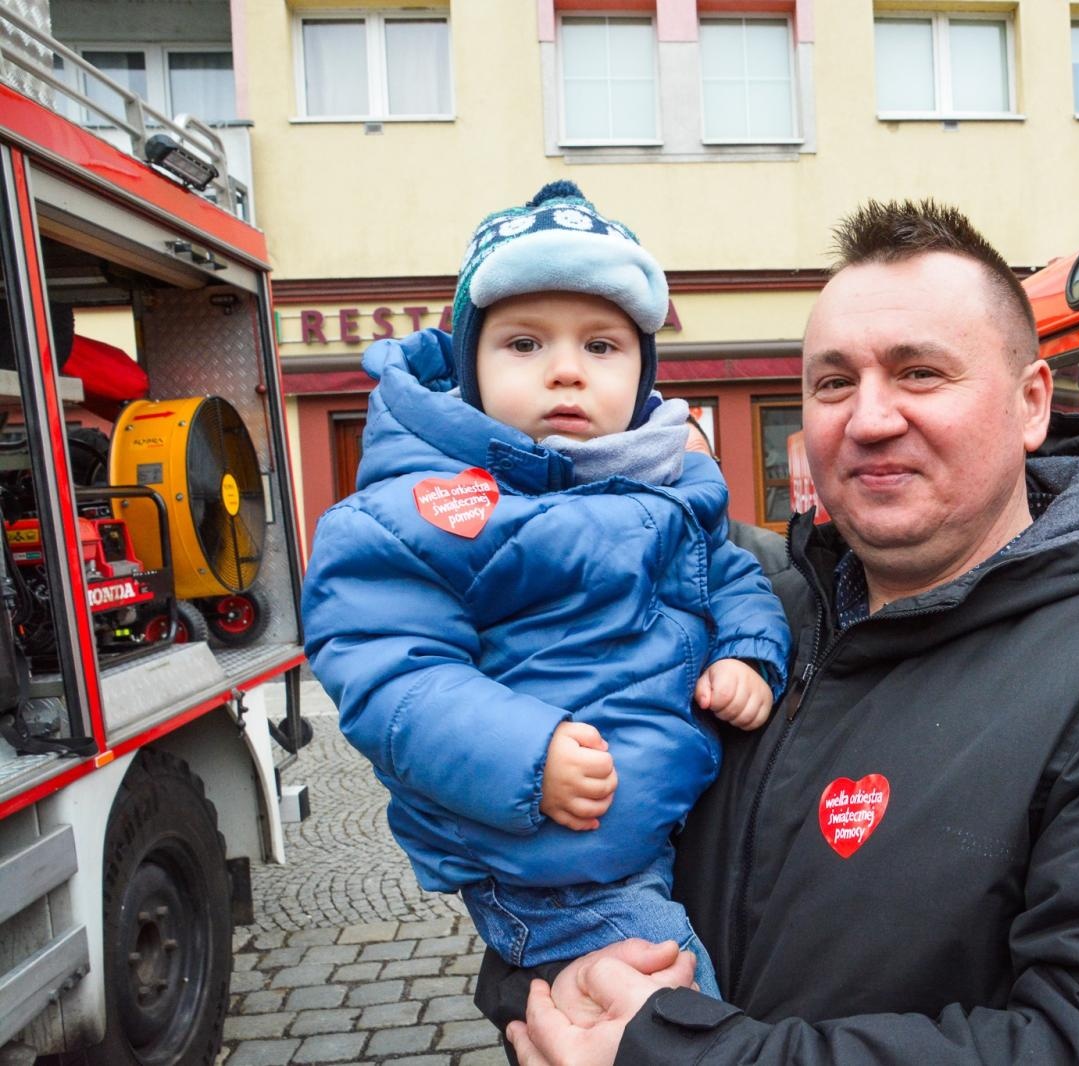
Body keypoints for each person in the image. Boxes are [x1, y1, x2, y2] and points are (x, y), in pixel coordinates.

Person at [482, 198, 1079, 1065]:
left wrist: (675, 1055)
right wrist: (549, 996)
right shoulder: (743, 623)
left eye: (920, 373)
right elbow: (553, 864)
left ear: (1032, 404)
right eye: (834, 383)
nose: (869, 418)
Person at [301, 181, 791, 999]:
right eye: (525, 345)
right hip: (554, 866)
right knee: (672, 1006)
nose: (566, 371)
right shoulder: (416, 506)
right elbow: (390, 670)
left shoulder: (666, 483)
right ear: (471, 366)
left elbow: (732, 573)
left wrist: (748, 653)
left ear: (642, 373)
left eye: (602, 348)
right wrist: (530, 755)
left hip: (663, 825)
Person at [683, 414, 792, 579]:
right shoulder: (634, 572)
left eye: (702, 464)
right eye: (677, 468)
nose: (692, 479)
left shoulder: (774, 557)